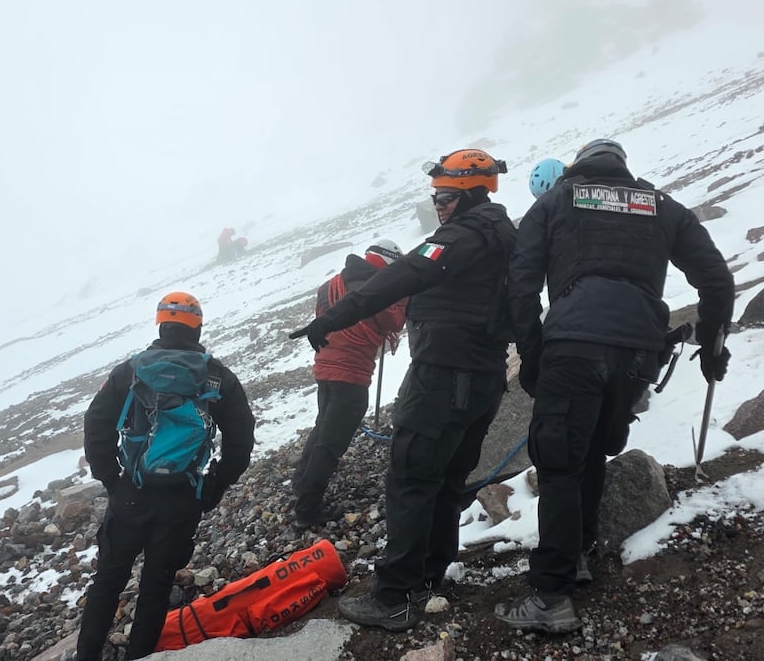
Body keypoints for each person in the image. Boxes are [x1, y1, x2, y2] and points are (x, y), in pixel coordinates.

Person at [498, 138, 735, 633]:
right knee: (591, 452)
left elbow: (520, 283)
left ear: (578, 167)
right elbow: (715, 278)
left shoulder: (557, 200)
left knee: (560, 460)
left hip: (574, 343)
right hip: (638, 351)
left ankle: (551, 596)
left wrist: (534, 353)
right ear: (623, 169)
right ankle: (578, 551)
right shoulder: (661, 205)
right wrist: (713, 345)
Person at [290, 148, 516, 631]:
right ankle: (432, 577)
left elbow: (406, 274)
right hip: (485, 377)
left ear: (469, 192)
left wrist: (333, 317)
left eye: (443, 195)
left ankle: (394, 596)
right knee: (448, 477)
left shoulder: (460, 237)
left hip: (443, 377)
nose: (437, 204)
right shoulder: (506, 237)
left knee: (412, 477)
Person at [76, 291, 255, 660]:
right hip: (183, 495)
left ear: (161, 324)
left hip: (132, 493)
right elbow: (241, 437)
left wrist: (112, 480)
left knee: (108, 580)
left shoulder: (130, 371)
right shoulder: (217, 376)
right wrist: (215, 486)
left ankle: (87, 655)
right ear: (198, 327)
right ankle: (140, 655)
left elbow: (96, 423)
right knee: (156, 586)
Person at [291, 240, 407, 529]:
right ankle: (307, 507)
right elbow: (394, 320)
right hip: (351, 370)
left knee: (323, 425)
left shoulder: (331, 283)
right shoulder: (376, 286)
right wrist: (404, 294)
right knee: (333, 440)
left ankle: (301, 481)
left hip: (325, 364)